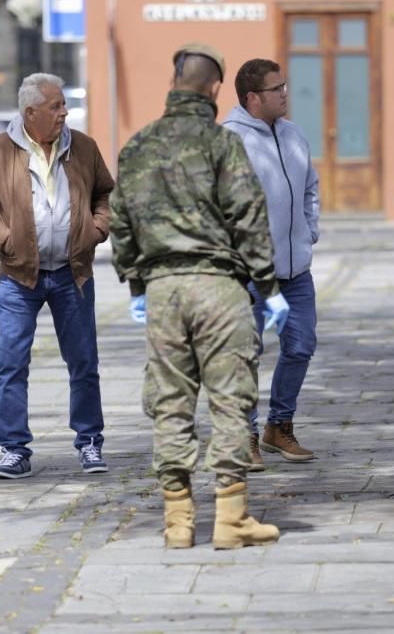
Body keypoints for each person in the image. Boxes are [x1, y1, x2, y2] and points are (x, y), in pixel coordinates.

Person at [109, 43, 289, 549]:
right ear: (215, 88)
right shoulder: (221, 143)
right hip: (218, 288)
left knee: (170, 404)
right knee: (231, 401)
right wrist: (270, 288)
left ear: (173, 82)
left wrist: (138, 285)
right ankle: (231, 520)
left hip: (164, 293)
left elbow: (121, 225)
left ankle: (178, 522)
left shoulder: (137, 146)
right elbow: (248, 217)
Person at [0, 73, 115, 480]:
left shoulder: (83, 147)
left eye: (63, 105)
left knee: (84, 363)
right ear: (31, 113)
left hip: (73, 274)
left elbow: (104, 194)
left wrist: (95, 230)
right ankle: (14, 450)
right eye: (55, 107)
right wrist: (7, 240)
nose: (64, 112)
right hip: (19, 277)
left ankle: (89, 442)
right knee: (11, 364)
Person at [223, 58, 320, 471]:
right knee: (246, 354)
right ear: (252, 98)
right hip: (248, 275)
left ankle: (279, 426)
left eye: (285, 85)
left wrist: (309, 230)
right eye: (276, 88)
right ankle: (244, 435)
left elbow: (311, 187)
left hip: (296, 272)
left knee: (300, 346)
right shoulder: (229, 140)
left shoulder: (294, 134)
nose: (285, 93)